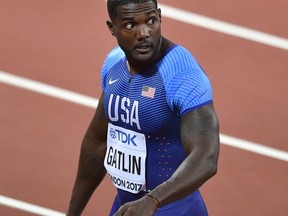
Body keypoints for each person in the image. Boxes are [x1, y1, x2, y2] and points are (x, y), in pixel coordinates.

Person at [66, 0, 220, 215]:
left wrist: (153, 200)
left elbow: (207, 157)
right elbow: (98, 141)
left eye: (150, 21)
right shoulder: (114, 64)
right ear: (113, 28)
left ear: (159, 16)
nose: (144, 33)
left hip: (174, 209)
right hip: (127, 207)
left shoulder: (182, 74)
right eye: (130, 25)